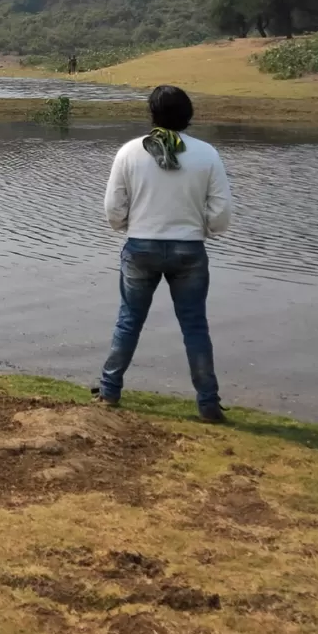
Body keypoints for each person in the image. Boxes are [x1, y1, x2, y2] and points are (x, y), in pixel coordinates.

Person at [95, 85, 234, 422]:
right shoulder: (207, 155)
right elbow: (221, 213)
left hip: (140, 247)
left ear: (152, 115)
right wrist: (204, 230)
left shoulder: (129, 152)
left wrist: (129, 226)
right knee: (195, 327)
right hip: (189, 250)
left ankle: (110, 389)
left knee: (129, 321)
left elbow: (114, 209)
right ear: (188, 116)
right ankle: (208, 403)